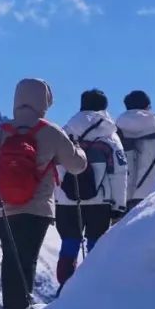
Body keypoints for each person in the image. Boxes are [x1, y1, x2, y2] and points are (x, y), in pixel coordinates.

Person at [0, 79, 86, 309]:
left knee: (10, 256)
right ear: (43, 101)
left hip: (5, 208)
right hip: (38, 208)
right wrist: (79, 149)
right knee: (28, 256)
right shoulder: (51, 132)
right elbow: (77, 166)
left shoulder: (2, 132)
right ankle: (22, 308)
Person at [54, 89, 128, 290]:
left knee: (69, 244)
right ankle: (93, 289)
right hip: (100, 201)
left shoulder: (64, 132)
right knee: (96, 246)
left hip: (67, 200)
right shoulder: (110, 136)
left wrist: (57, 198)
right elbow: (119, 173)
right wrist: (119, 206)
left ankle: (65, 289)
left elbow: (56, 169)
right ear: (104, 108)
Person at [116, 90, 155, 210]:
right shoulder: (153, 128)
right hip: (145, 194)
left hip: (119, 195)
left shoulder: (116, 129)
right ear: (147, 107)